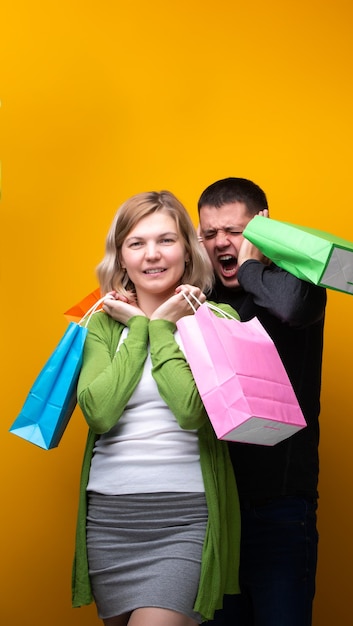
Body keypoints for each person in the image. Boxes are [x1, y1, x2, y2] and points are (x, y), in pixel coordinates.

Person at [71, 191, 241, 626]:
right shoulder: (101, 325)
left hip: (185, 519)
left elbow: (189, 411)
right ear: (121, 257)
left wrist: (160, 328)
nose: (152, 255)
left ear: (187, 249)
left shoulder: (217, 320)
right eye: (136, 243)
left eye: (166, 240)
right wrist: (137, 330)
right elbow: (100, 413)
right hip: (109, 521)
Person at [197, 177, 327, 626]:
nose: (221, 243)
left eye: (233, 230)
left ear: (261, 227)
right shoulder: (200, 295)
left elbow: (294, 310)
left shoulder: (296, 282)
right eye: (209, 234)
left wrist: (252, 265)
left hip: (279, 509)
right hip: (214, 511)